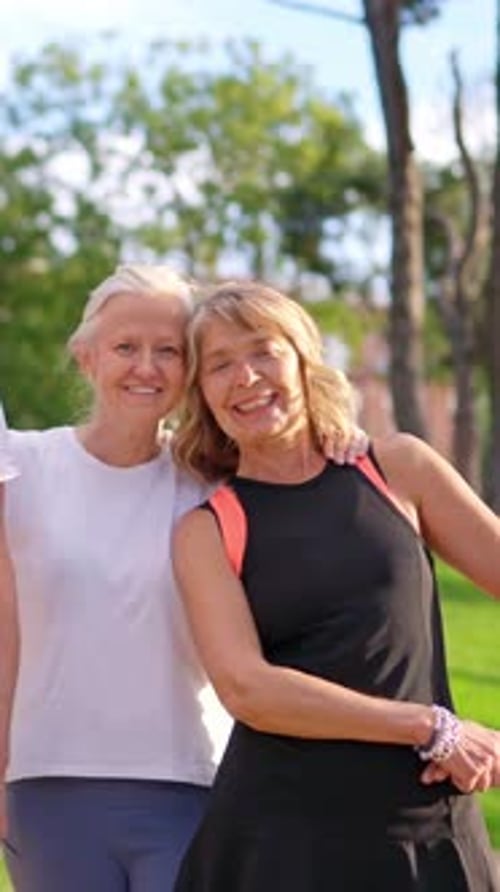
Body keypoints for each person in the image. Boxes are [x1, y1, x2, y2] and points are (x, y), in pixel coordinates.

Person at [0, 265, 365, 892]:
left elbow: (301, 465)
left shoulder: (215, 478)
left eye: (167, 350)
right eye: (125, 347)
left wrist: (337, 433)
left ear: (189, 369)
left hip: (196, 784)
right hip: (47, 789)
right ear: (86, 357)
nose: (146, 367)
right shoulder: (22, 468)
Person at [171, 279, 500, 892]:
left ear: (303, 359)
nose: (246, 377)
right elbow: (248, 688)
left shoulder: (398, 468)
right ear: (201, 393)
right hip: (282, 843)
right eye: (219, 365)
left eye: (264, 351)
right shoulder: (207, 529)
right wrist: (429, 726)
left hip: (430, 828)